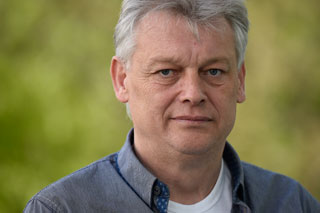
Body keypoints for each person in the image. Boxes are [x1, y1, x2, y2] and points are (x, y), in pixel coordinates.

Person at [24, 0, 320, 212]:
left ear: (240, 81)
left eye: (213, 71)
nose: (193, 93)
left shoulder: (291, 202)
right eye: (167, 72)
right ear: (122, 80)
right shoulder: (62, 207)